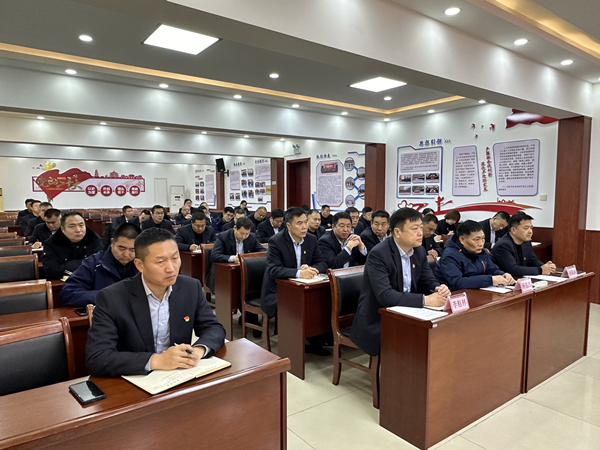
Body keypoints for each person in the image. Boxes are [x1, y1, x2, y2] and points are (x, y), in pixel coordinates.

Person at [85, 228, 226, 377]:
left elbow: (214, 328)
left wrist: (197, 351)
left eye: (175, 258)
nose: (171, 268)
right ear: (140, 265)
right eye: (160, 261)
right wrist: (157, 360)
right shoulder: (111, 298)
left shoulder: (190, 287)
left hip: (178, 376)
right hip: (134, 378)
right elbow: (97, 357)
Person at [350, 208, 450, 357]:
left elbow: (427, 279)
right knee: (417, 342)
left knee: (440, 334)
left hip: (409, 312)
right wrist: (426, 300)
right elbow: (385, 295)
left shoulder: (419, 251)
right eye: (414, 229)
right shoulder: (378, 254)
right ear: (397, 232)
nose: (420, 233)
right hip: (379, 317)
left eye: (421, 227)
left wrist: (438, 288)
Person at [260, 207, 328, 353]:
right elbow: (273, 270)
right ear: (288, 226)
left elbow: (322, 263)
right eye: (299, 223)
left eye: (305, 222)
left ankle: (316, 341)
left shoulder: (311, 239)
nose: (304, 227)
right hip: (277, 291)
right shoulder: (276, 241)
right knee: (295, 305)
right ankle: (293, 346)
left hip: (303, 289)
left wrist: (311, 268)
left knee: (321, 301)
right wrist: (298, 273)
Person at [60, 223, 141, 307]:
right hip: (105, 312)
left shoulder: (144, 264)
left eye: (132, 250)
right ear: (112, 242)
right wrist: (106, 296)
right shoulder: (94, 263)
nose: (126, 254)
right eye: (121, 248)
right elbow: (68, 294)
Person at [435, 220, 515, 290]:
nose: (481, 243)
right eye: (476, 239)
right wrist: (490, 280)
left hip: (479, 292)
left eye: (483, 238)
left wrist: (503, 274)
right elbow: (457, 282)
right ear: (462, 239)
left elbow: (492, 269)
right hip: (455, 296)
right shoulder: (450, 256)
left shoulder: (480, 251)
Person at [207, 217, 264, 292]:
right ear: (235, 228)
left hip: (245, 269)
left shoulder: (251, 237)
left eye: (247, 234)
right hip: (225, 270)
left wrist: (250, 258)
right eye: (242, 233)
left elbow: (262, 251)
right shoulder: (223, 237)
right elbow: (214, 255)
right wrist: (232, 258)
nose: (244, 237)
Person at [491, 212, 556, 277]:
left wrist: (547, 267)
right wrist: (541, 270)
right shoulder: (503, 245)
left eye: (531, 228)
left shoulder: (526, 242)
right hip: (503, 280)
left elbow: (533, 260)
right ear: (513, 230)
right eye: (526, 228)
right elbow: (513, 270)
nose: (530, 231)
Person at [43, 211, 103, 280]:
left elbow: (100, 264)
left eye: (81, 225)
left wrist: (65, 266)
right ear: (62, 229)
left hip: (91, 279)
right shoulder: (52, 242)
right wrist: (86, 263)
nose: (78, 230)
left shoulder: (93, 238)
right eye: (72, 226)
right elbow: (51, 270)